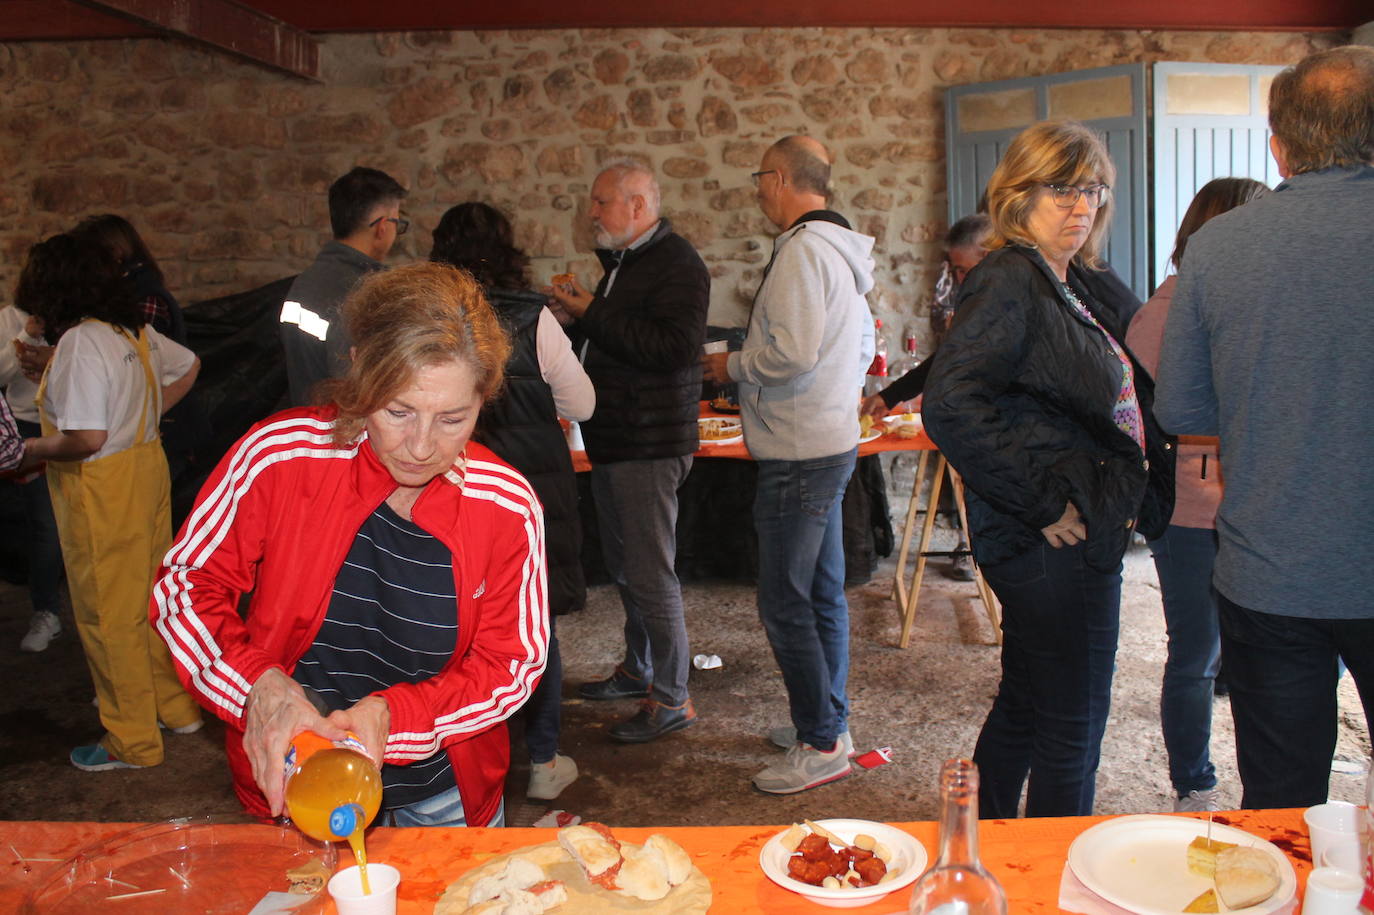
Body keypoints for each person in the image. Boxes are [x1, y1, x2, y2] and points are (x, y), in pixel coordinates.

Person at [152, 262, 548, 827]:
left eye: (453, 418)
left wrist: (402, 715)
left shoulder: (505, 505)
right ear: (362, 370)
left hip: (441, 789)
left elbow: (513, 661)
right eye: (398, 411)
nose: (420, 446)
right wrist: (257, 687)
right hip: (299, 775)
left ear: (484, 398)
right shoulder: (279, 458)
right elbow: (185, 586)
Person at [922, 120, 1174, 818]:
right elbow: (949, 403)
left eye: (1091, 187)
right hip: (1051, 538)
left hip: (1061, 534)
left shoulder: (1062, 279)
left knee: (1031, 703)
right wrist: (1041, 502)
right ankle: (1053, 880)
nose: (1080, 203)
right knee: (1073, 728)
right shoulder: (1009, 277)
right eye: (1060, 186)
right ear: (1017, 193)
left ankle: (986, 840)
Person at [1154, 46, 1374, 810]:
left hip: (1270, 563)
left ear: (1278, 143)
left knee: (1283, 802)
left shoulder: (1221, 247)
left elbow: (1182, 412)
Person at [703, 135, 876, 795]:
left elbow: (791, 353)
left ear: (779, 177)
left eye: (760, 180)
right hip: (827, 440)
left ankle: (822, 740)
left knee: (785, 599)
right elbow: (859, 345)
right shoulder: (842, 250)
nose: (758, 193)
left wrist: (732, 365)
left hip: (800, 453)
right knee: (822, 591)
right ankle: (830, 720)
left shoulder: (805, 251)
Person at [16, 233, 204, 771]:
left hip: (103, 488)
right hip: (146, 470)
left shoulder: (79, 342)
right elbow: (189, 365)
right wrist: (143, 416)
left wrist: (26, 449)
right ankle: (177, 709)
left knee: (107, 617)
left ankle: (132, 741)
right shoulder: (131, 331)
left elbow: (87, 438)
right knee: (150, 604)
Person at [430, 201, 593, 801]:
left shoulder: (427, 317)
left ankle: (454, 754)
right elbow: (584, 405)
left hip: (451, 491)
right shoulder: (531, 319)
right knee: (532, 624)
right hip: (527, 494)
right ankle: (544, 760)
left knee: (454, 623)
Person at [548, 158, 709, 744]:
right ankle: (638, 669)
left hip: (649, 442)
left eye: (600, 201)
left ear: (638, 206)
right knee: (627, 569)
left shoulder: (677, 264)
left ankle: (672, 698)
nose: (591, 212)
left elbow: (672, 348)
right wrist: (578, 316)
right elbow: (621, 338)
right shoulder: (625, 263)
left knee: (649, 572)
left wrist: (590, 309)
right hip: (619, 437)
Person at [1126, 177, 1269, 813]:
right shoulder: (1166, 311)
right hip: (1189, 506)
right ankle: (1195, 784)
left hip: (1248, 499)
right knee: (1196, 653)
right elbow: (1178, 418)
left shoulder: (1249, 302)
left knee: (1260, 648)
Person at [860, 213, 991, 582]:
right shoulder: (972, 302)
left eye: (964, 269)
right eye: (956, 270)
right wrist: (890, 396)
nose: (959, 279)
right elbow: (946, 359)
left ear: (990, 256)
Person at [279, 166, 407, 407]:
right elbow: (358, 388)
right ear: (382, 226)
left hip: (306, 424)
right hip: (343, 433)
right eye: (397, 223)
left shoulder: (305, 282)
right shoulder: (367, 294)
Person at [0, 304, 67, 652]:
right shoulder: (9, 319)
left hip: (72, 425)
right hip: (28, 425)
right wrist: (26, 335)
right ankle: (46, 611)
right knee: (45, 526)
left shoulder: (83, 322)